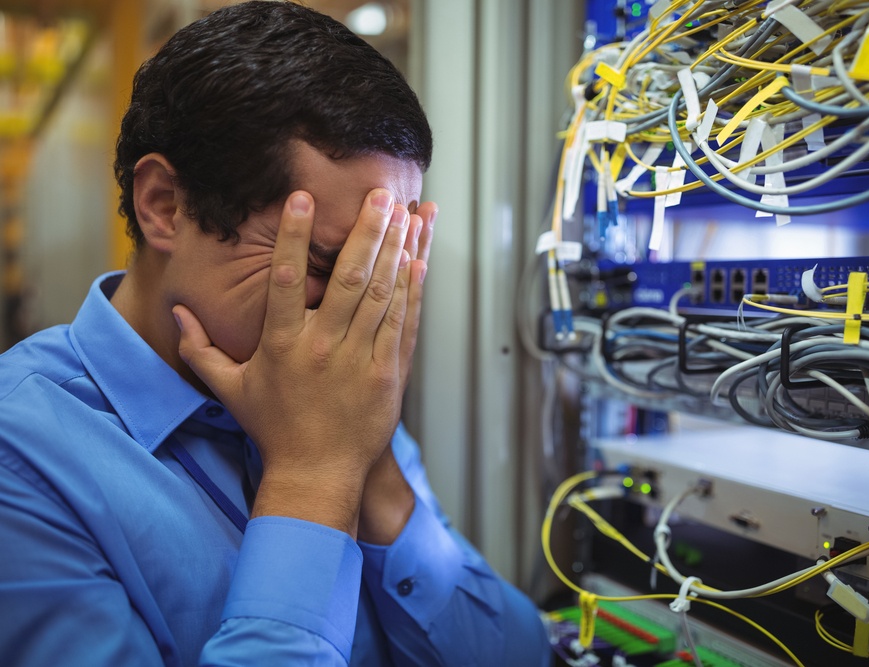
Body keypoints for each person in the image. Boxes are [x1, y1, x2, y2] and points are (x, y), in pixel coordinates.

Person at [0, 2, 551, 665]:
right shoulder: (22, 456)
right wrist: (313, 479)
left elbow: (515, 652)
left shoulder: (333, 392)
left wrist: (368, 466)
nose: (358, 309)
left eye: (375, 269)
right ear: (165, 207)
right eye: (326, 264)